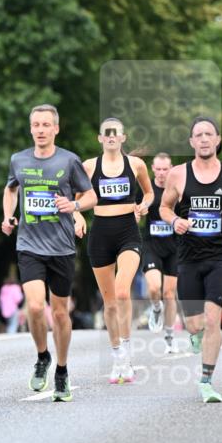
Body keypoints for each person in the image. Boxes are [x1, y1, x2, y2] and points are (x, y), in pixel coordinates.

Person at [2, 104, 96, 402]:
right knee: (33, 307)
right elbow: (11, 189)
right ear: (31, 129)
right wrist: (7, 216)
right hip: (29, 245)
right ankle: (43, 357)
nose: (41, 130)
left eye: (46, 125)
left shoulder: (69, 161)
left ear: (56, 128)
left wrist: (75, 206)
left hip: (62, 248)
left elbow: (91, 194)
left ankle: (62, 370)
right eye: (36, 125)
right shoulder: (19, 159)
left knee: (59, 313)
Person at [160, 116, 222, 403]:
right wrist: (174, 220)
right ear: (191, 142)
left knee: (213, 320)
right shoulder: (178, 174)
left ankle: (206, 381)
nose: (203, 139)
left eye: (208, 134)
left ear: (217, 139)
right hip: (187, 258)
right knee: (195, 324)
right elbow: (164, 207)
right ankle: (196, 335)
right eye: (198, 135)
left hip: (220, 257)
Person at [78, 117, 153, 384]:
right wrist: (77, 219)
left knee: (123, 291)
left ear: (123, 138)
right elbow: (78, 201)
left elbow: (149, 193)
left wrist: (144, 205)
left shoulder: (136, 165)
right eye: (106, 133)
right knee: (109, 304)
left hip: (127, 232)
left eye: (116, 133)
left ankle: (127, 355)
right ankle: (117, 355)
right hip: (100, 234)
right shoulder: (88, 167)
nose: (111, 136)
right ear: (100, 138)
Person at [139, 152, 179, 352]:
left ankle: (170, 336)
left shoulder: (177, 190)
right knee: (154, 288)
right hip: (151, 245)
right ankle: (156, 308)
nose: (162, 173)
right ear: (153, 169)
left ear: (171, 169)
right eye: (159, 169)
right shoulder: (147, 191)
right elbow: (135, 213)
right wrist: (139, 213)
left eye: (166, 169)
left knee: (169, 293)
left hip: (174, 247)